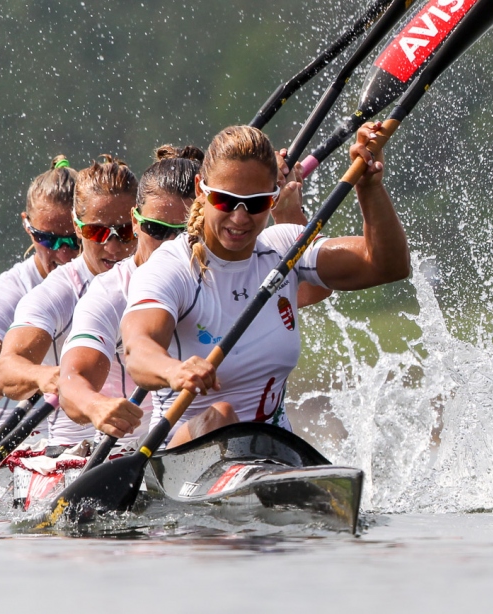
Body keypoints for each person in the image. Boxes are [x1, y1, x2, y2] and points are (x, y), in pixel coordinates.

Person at [121, 123, 409, 448]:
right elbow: (137, 350)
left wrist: (370, 188)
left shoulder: (285, 249)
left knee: (244, 431)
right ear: (202, 189)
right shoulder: (171, 267)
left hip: (270, 451)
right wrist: (174, 371)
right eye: (226, 200)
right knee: (222, 413)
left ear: (273, 197)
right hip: (178, 452)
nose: (240, 218)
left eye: (256, 203)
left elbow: (387, 265)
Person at [57, 144, 331, 442]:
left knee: (222, 418)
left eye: (184, 230)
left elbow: (312, 289)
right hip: (134, 453)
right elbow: (72, 385)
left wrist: (285, 211)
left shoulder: (225, 275)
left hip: (231, 441)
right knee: (220, 416)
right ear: (135, 222)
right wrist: (97, 407)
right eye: (157, 230)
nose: (172, 244)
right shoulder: (112, 292)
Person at [0, 156, 138, 445]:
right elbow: (6, 370)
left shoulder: (162, 275)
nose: (112, 246)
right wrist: (44, 376)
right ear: (77, 225)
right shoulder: (59, 291)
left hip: (156, 447)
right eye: (97, 232)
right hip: (76, 452)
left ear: (138, 221)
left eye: (123, 231)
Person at [0, 157, 80, 432]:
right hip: (26, 449)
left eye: (74, 240)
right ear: (28, 226)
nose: (63, 253)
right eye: (48, 239)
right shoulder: (8, 293)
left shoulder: (111, 283)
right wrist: (37, 376)